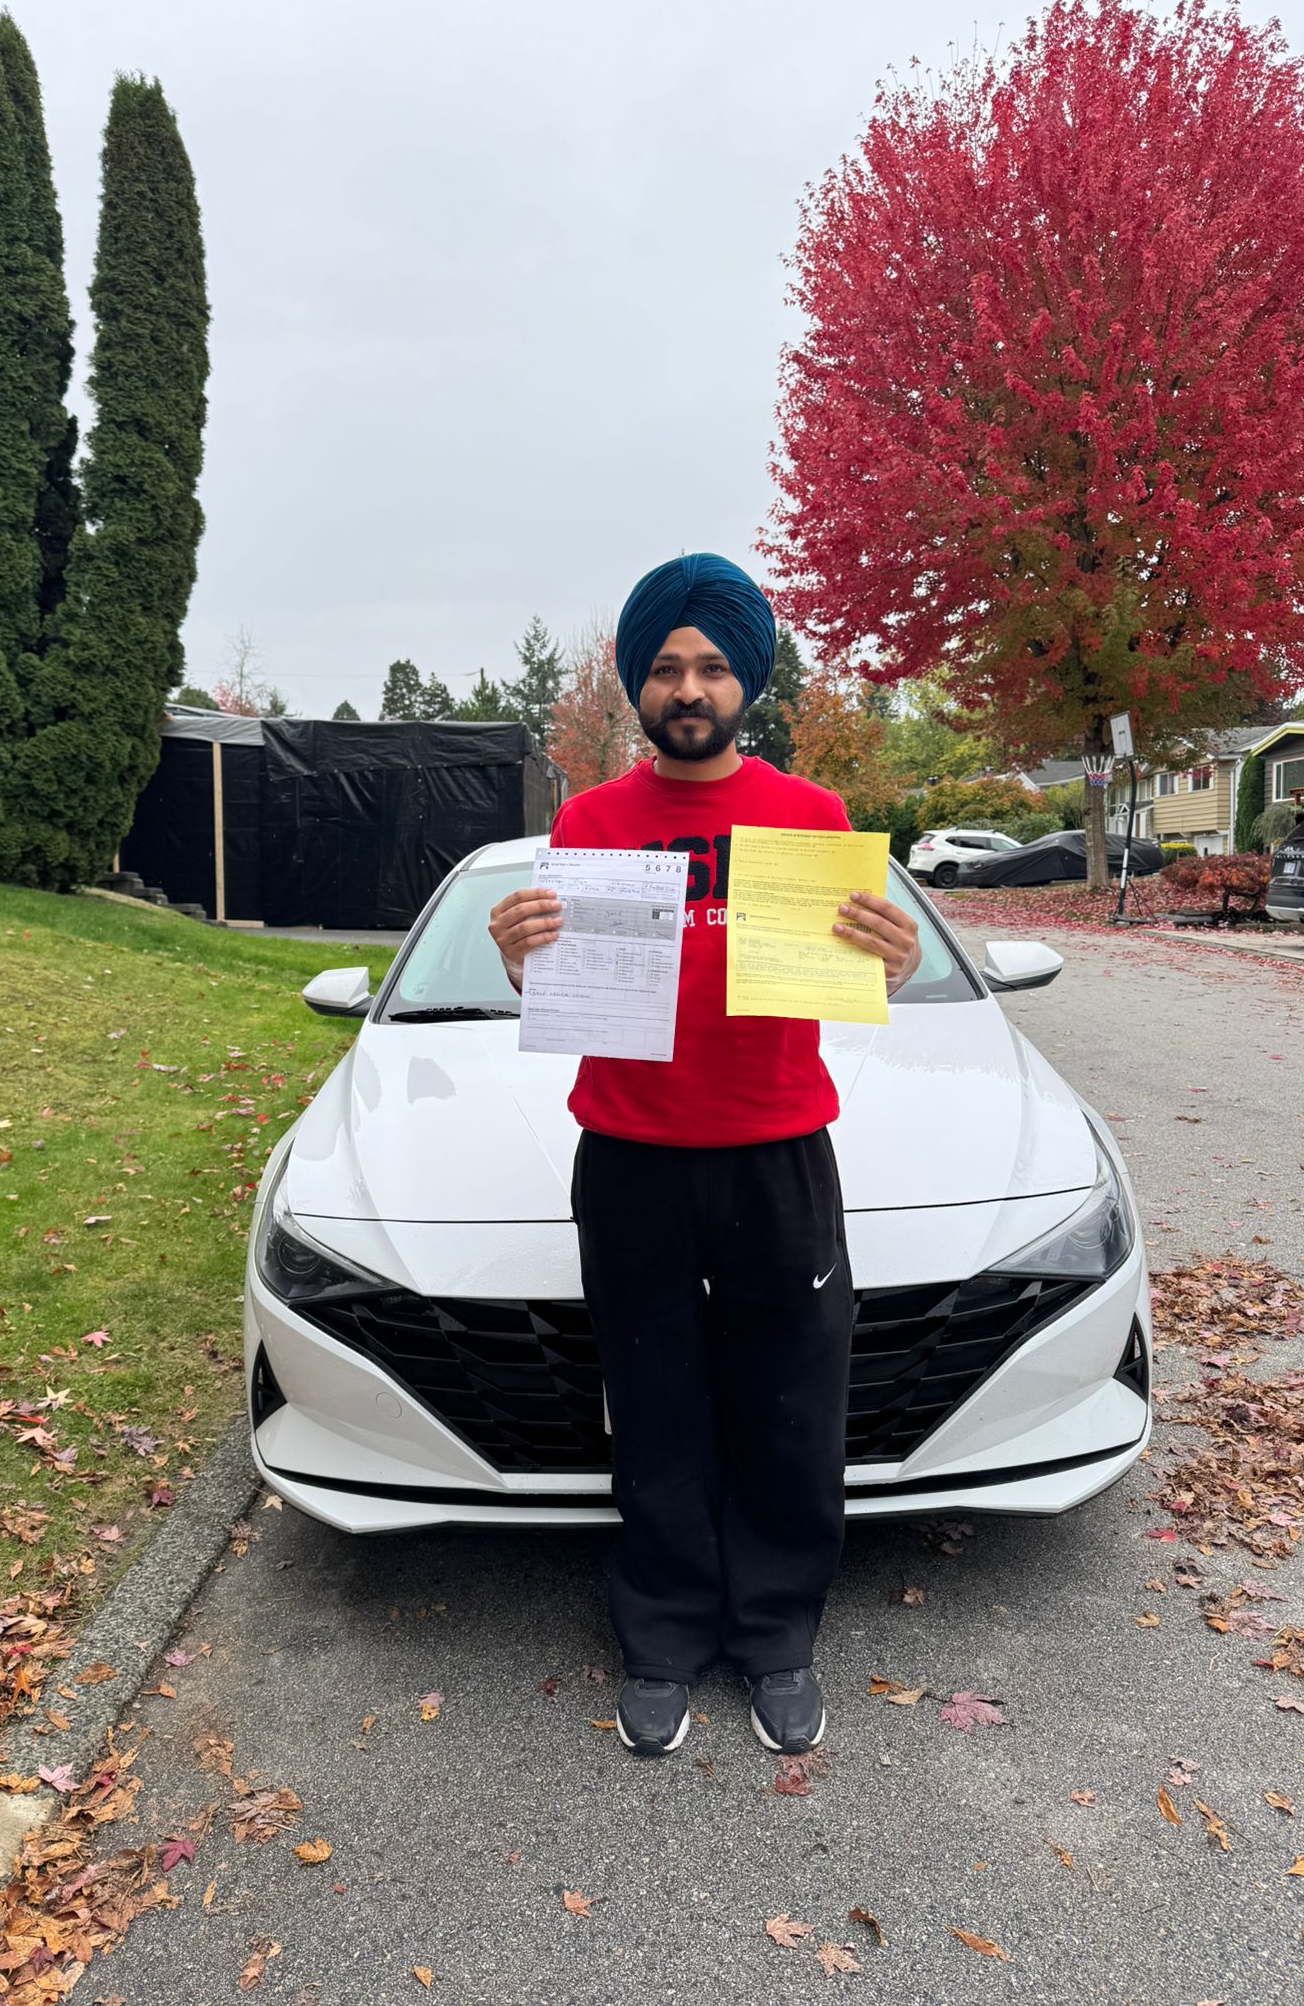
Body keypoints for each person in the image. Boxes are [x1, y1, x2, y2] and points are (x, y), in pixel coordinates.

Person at [488, 554, 920, 1757]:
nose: (690, 687)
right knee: (654, 1399)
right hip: (630, 1153)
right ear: (639, 683)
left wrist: (892, 965)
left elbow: (857, 975)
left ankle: (777, 1632)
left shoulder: (812, 818)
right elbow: (557, 979)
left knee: (792, 1403)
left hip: (777, 1150)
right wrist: (521, 959)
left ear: (747, 683)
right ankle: (664, 1631)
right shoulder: (589, 824)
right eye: (669, 666)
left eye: (714, 666)